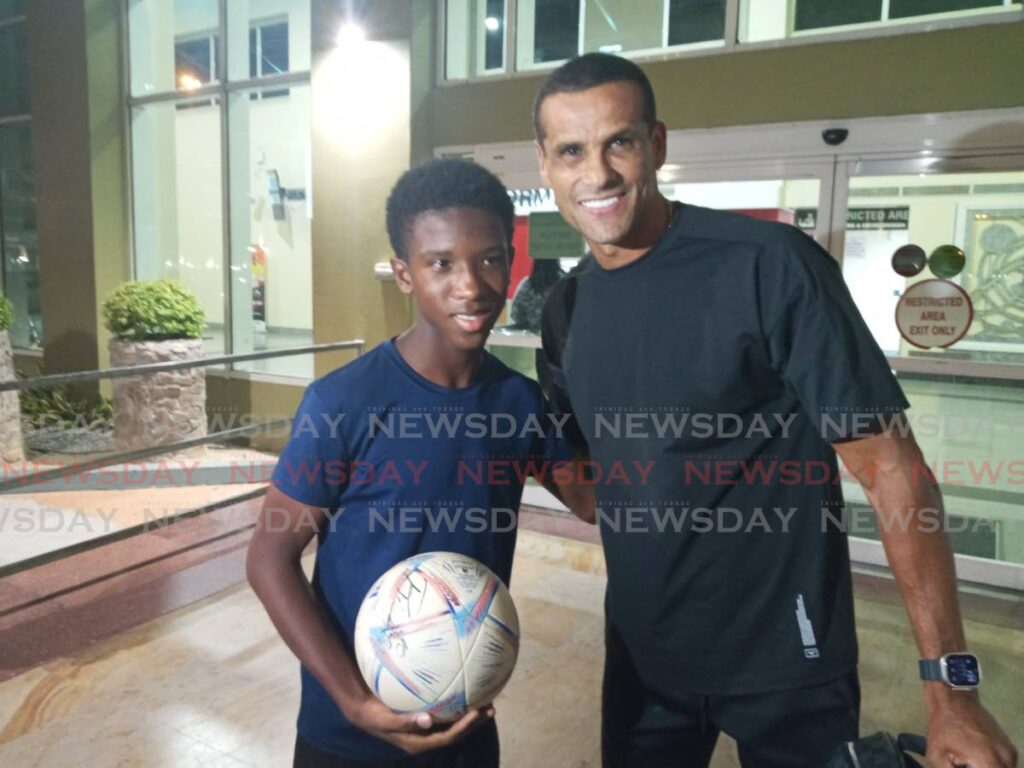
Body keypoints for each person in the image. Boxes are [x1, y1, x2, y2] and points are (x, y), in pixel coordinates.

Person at [533, 53, 1017, 768]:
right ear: (545, 165)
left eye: (619, 143)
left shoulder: (766, 266)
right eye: (571, 151)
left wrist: (951, 690)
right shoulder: (566, 308)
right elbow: (593, 495)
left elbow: (893, 471)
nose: (596, 174)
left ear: (657, 145)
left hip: (789, 659)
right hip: (645, 662)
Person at [247, 158, 591, 768]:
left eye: (489, 258)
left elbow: (595, 503)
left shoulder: (519, 402)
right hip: (347, 735)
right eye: (441, 263)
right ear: (405, 274)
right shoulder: (344, 402)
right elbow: (268, 559)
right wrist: (354, 702)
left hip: (466, 720)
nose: (471, 285)